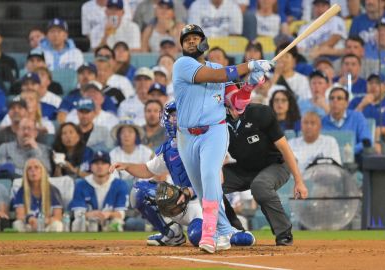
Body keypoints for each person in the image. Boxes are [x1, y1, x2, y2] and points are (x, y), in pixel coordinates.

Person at [173, 24, 273, 253]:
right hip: (187, 136)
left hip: (214, 131)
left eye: (195, 37)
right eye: (186, 39)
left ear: (204, 42)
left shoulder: (218, 68)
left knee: (210, 177)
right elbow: (215, 75)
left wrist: (250, 85)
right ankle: (226, 230)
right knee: (202, 188)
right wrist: (249, 66)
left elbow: (236, 105)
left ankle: (209, 235)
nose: (190, 42)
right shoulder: (183, 65)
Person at [110, 101, 254, 246]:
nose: (175, 118)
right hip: (178, 202)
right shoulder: (167, 148)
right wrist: (127, 166)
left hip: (203, 205)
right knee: (139, 192)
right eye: (172, 115)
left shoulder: (204, 142)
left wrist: (190, 191)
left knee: (197, 236)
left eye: (179, 114)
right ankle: (172, 235)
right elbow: (148, 170)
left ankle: (229, 233)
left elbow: (218, 178)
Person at [223, 86, 308, 246]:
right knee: (210, 184)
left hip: (275, 164)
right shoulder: (218, 120)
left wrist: (299, 181)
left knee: (260, 185)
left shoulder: (261, 113)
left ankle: (283, 233)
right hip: (243, 168)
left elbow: (284, 148)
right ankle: (232, 230)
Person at [69, 151, 128, 232]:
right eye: (96, 163)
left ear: (110, 166)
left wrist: (109, 214)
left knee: (117, 222)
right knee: (78, 222)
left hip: (109, 220)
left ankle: (116, 244)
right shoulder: (81, 184)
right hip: (89, 221)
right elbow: (77, 214)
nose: (100, 166)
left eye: (103, 163)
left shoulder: (120, 184)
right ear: (91, 166)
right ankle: (78, 244)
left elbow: (121, 214)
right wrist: (91, 214)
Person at [349, 74, 385, 154]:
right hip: (357, 139)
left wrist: (380, 130)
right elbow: (348, 123)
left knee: (374, 148)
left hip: (382, 141)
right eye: (370, 83)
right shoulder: (356, 101)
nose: (373, 86)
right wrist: (362, 105)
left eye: (378, 83)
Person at [12, 158, 64, 232]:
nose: (33, 170)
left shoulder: (53, 191)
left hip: (47, 226)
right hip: (29, 226)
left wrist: (45, 221)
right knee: (17, 224)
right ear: (26, 173)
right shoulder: (21, 191)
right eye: (29, 168)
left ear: (43, 171)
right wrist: (30, 219)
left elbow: (58, 216)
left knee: (57, 224)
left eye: (36, 167)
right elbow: (19, 215)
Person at [321, 86, 372, 156]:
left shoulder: (357, 117)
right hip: (328, 161)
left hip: (353, 160)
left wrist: (348, 151)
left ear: (347, 103)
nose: (335, 101)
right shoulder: (321, 122)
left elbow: (367, 142)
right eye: (331, 98)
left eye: (339, 98)